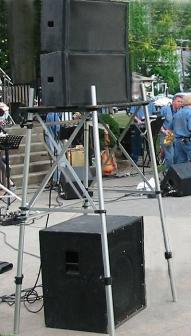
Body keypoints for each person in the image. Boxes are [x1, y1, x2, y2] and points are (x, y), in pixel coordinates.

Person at [130, 97, 157, 164]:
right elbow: (132, 114)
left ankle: (153, 159)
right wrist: (138, 120)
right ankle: (135, 160)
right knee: (137, 143)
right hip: (139, 126)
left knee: (150, 143)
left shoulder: (150, 102)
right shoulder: (136, 102)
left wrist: (151, 120)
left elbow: (154, 114)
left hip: (149, 126)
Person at [160, 94, 183, 169]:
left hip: (177, 135)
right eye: (178, 101)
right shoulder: (165, 109)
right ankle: (168, 173)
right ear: (173, 102)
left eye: (181, 102)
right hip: (168, 135)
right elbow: (158, 123)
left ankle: (176, 172)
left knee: (177, 156)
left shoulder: (181, 111)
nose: (180, 103)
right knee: (170, 155)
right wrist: (164, 131)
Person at [44, 112, 65, 186]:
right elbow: (57, 130)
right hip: (53, 139)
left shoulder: (52, 114)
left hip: (51, 138)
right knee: (60, 160)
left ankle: (56, 180)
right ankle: (58, 180)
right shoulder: (53, 115)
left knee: (58, 160)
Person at [173, 95, 191, 164]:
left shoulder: (177, 113)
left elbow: (173, 127)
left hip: (178, 141)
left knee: (180, 164)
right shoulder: (190, 113)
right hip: (187, 141)